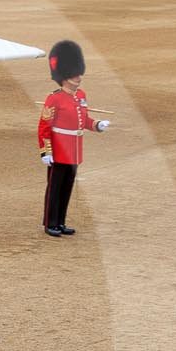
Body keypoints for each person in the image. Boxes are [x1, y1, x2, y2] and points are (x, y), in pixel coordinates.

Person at [37, 39, 111, 238]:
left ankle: (60, 221)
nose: (79, 77)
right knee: (54, 189)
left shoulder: (81, 96)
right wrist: (46, 152)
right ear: (64, 75)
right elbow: (45, 126)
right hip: (59, 149)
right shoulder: (54, 98)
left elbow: (83, 120)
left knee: (67, 188)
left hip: (74, 150)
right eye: (74, 74)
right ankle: (49, 223)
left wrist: (97, 125)